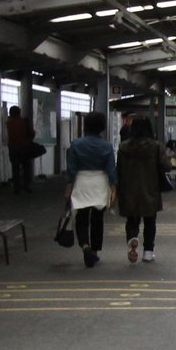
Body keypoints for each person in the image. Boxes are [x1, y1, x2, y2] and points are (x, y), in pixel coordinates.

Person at [64, 112, 118, 268]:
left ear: (85, 125)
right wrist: (114, 188)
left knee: (81, 218)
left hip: (81, 182)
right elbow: (111, 169)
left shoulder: (76, 144)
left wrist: (68, 188)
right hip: (100, 183)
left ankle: (85, 246)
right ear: (102, 127)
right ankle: (94, 251)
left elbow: (71, 169)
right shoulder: (107, 146)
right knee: (97, 219)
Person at [117, 116, 168, 263]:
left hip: (129, 188)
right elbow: (166, 166)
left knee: (132, 219)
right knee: (150, 221)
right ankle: (148, 251)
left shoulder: (123, 147)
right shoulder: (156, 146)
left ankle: (132, 238)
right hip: (150, 188)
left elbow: (119, 168)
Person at [5, 104, 37, 193]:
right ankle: (26, 185)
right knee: (27, 167)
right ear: (19, 113)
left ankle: (17, 188)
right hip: (24, 148)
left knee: (15, 168)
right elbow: (32, 133)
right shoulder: (25, 122)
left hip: (12, 148)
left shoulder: (9, 123)